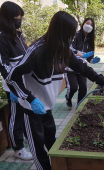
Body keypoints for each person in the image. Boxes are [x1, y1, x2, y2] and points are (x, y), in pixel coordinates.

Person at [6, 11, 104, 170]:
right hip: (31, 108)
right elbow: (12, 76)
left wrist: (102, 82)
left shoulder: (64, 50)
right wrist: (28, 98)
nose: (72, 37)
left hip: (47, 106)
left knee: (51, 140)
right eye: (70, 34)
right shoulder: (37, 51)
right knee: (38, 147)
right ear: (61, 32)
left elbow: (82, 68)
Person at [0, 1, 33, 160]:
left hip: (25, 83)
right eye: (16, 17)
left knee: (26, 114)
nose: (19, 20)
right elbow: (3, 66)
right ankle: (17, 148)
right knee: (16, 117)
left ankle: (28, 141)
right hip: (13, 86)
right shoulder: (2, 38)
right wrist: (11, 87)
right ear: (7, 17)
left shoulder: (17, 35)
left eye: (21, 17)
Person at [65, 18, 101, 109]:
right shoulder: (75, 35)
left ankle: (79, 105)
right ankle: (68, 98)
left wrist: (92, 61)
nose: (89, 25)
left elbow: (89, 57)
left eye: (91, 25)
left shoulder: (90, 40)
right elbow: (69, 49)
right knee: (73, 87)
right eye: (87, 23)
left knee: (83, 88)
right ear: (83, 24)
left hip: (81, 67)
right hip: (70, 67)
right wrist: (81, 54)